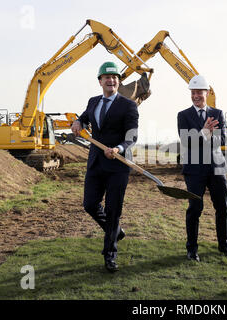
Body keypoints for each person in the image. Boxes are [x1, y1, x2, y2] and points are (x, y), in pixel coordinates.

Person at [71, 61, 138, 273]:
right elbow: (84, 117)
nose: (111, 80)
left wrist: (118, 148)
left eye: (115, 78)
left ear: (118, 81)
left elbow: (132, 135)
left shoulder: (128, 105)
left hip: (118, 165)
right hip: (96, 163)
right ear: (100, 81)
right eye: (107, 77)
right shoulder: (93, 102)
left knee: (112, 210)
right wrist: (77, 122)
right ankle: (115, 230)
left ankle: (110, 254)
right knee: (90, 204)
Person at [177, 75, 227, 262]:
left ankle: (224, 244)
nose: (196, 96)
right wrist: (204, 131)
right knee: (195, 208)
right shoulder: (183, 115)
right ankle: (192, 249)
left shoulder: (217, 113)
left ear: (207, 93)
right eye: (193, 93)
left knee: (222, 207)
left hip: (216, 167)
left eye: (199, 92)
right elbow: (186, 142)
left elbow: (223, 140)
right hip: (194, 170)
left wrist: (205, 136)